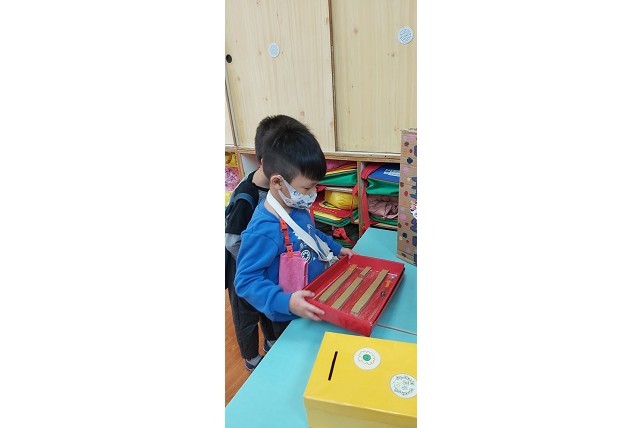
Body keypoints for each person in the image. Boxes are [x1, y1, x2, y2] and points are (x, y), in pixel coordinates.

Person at [234, 121, 356, 339]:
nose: (313, 193)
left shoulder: (296, 206)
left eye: (315, 185)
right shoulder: (263, 230)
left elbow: (311, 233)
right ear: (277, 182)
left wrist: (336, 248)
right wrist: (286, 302)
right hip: (288, 315)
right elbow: (246, 280)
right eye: (307, 187)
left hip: (315, 297)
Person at [225, 115, 309, 371]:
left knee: (267, 304)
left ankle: (271, 342)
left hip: (265, 260)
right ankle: (251, 358)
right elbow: (232, 241)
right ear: (266, 164)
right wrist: (257, 258)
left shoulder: (278, 188)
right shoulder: (246, 197)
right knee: (247, 314)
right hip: (242, 264)